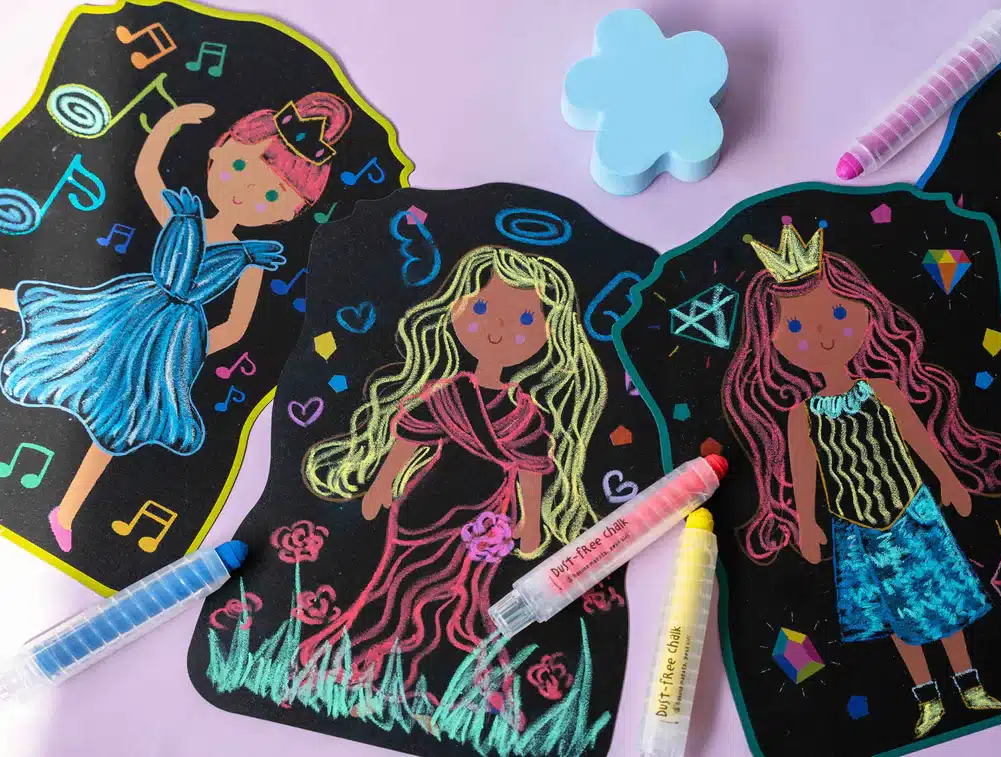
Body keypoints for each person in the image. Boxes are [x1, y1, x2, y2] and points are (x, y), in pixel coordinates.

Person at [0, 92, 352, 552]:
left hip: (170, 345)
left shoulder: (249, 259)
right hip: (131, 307)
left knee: (121, 419)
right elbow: (146, 174)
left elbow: (237, 327)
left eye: (271, 194)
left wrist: (185, 351)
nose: (245, 192)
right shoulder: (184, 215)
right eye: (240, 166)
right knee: (62, 320)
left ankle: (65, 512)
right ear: (217, 152)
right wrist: (170, 124)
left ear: (289, 212)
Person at [723, 219, 1001, 738]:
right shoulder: (802, 414)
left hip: (912, 511)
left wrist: (949, 479)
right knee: (895, 614)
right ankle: (928, 698)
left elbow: (918, 437)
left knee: (942, 602)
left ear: (866, 311)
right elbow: (804, 470)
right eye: (797, 328)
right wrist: (806, 524)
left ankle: (969, 685)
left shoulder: (881, 389)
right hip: (857, 527)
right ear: (772, 341)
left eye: (838, 314)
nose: (822, 335)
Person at [298, 246, 606, 693]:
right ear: (456, 308)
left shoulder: (524, 413)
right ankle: (362, 660)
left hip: (487, 520)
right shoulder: (448, 393)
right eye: (482, 309)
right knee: (392, 583)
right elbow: (410, 437)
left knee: (463, 598)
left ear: (550, 332)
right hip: (426, 503)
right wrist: (382, 484)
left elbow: (531, 469)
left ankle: (433, 678)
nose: (497, 328)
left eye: (525, 319)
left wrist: (531, 523)